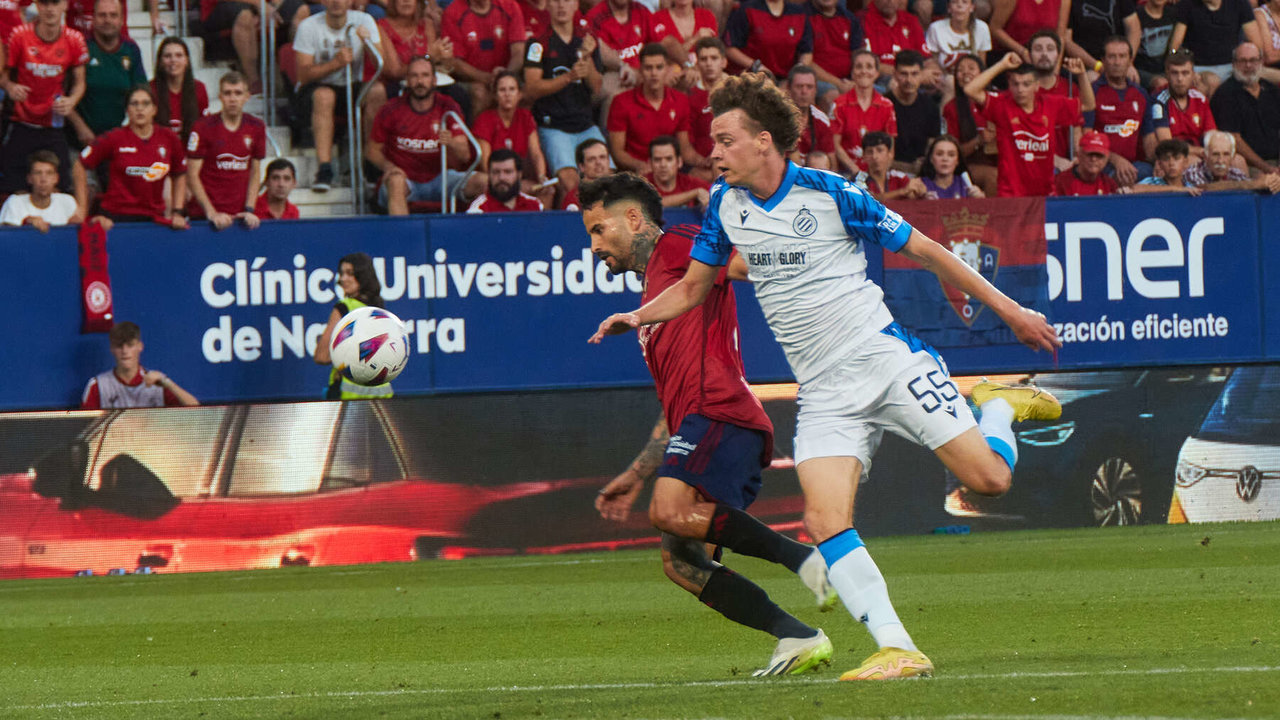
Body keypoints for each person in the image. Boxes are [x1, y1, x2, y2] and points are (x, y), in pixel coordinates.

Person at [589, 72, 1063, 682]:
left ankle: (997, 406)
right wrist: (636, 313)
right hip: (823, 393)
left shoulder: (830, 192)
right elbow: (691, 287)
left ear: (764, 141)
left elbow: (929, 251)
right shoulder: (726, 208)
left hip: (885, 361)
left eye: (725, 140)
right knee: (824, 522)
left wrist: (1013, 311)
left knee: (989, 480)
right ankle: (897, 646)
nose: (713, 153)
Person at [582, 172, 837, 678]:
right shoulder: (654, 296)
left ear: (633, 218)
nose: (594, 246)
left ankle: (803, 558)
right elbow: (670, 412)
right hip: (700, 423)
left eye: (597, 229)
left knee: (669, 511)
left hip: (722, 411)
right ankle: (798, 635)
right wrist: (635, 475)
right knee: (682, 562)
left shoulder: (677, 245)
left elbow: (743, 264)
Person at [965, 52, 1094, 196]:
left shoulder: (1051, 104)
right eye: (1015, 84)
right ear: (1009, 85)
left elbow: (1089, 104)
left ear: (1037, 86)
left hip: (1044, 193)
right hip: (1011, 194)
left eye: (1026, 84)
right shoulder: (1002, 106)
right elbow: (970, 90)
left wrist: (1082, 75)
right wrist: (1001, 65)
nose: (1020, 90)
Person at [368, 56, 481, 215]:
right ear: (407, 80)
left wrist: (452, 143)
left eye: (425, 75)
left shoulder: (448, 106)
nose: (420, 81)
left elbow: (465, 156)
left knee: (484, 182)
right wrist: (390, 168)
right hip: (404, 179)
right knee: (395, 181)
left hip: (440, 177)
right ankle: (404, 237)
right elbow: (372, 151)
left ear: (434, 80)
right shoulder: (391, 109)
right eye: (414, 76)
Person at [293, 0, 385, 192]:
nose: (336, 2)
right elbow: (303, 74)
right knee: (325, 96)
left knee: (377, 91)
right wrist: (335, 63)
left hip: (351, 86)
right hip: (314, 88)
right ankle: (325, 168)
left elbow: (380, 64)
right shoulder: (308, 26)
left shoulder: (364, 20)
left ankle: (371, 163)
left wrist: (367, 44)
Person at [0, 0, 87, 195]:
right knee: (13, 190)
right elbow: (3, 74)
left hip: (53, 126)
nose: (50, 9)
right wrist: (10, 86)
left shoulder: (74, 39)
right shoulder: (20, 35)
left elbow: (80, 82)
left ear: (64, 5)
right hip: (21, 122)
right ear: (37, 6)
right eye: (44, 3)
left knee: (61, 189)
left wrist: (72, 100)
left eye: (55, 3)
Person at [523, 0, 604, 195]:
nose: (561, 6)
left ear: (576, 5)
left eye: (566, 1)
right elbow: (532, 88)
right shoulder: (537, 43)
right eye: (555, 1)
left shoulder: (588, 41)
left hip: (585, 124)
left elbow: (597, 87)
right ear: (547, 5)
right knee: (570, 183)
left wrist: (588, 61)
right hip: (554, 126)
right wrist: (569, 77)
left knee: (607, 179)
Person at [79, 85, 187, 229]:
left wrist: (177, 211)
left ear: (154, 109)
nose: (139, 109)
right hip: (116, 218)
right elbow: (80, 164)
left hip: (153, 218)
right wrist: (81, 209)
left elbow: (180, 173)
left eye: (145, 104)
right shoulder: (114, 137)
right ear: (127, 110)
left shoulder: (169, 138)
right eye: (134, 104)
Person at [186, 72, 267, 230]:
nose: (233, 99)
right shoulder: (202, 127)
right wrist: (211, 212)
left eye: (238, 93)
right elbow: (191, 174)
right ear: (220, 96)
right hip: (204, 217)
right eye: (227, 93)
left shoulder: (256, 127)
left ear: (247, 96)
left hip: (239, 217)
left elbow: (255, 171)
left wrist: (249, 209)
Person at [65, 0, 145, 146]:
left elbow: (141, 93)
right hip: (78, 140)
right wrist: (81, 128)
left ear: (121, 20)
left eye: (113, 15)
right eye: (102, 15)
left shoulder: (131, 49)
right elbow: (62, 94)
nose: (107, 20)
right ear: (93, 19)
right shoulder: (80, 47)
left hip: (114, 141)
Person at [314, 253, 394, 399]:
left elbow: (322, 356)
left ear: (363, 276)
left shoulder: (345, 308)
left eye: (350, 274)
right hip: (383, 399)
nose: (343, 279)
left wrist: (339, 347)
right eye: (342, 273)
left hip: (348, 401)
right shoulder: (380, 311)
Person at [606, 43, 695, 174]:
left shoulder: (680, 100)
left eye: (659, 67)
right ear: (640, 70)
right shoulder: (621, 102)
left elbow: (685, 149)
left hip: (671, 170)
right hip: (637, 172)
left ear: (667, 69)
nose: (654, 73)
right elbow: (617, 152)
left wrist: (705, 161)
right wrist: (641, 165)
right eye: (648, 68)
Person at [472, 70, 553, 207]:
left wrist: (541, 176)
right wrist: (510, 182)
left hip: (517, 178)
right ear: (495, 96)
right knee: (486, 182)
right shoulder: (485, 119)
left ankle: (540, 228)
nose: (507, 95)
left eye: (512, 89)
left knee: (547, 190)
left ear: (519, 94)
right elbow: (486, 164)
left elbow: (536, 152)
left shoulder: (526, 117)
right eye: (502, 90)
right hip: (495, 177)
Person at [1091, 36, 1162, 185]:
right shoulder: (1093, 91)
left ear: (1130, 61)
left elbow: (1148, 138)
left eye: (1122, 57)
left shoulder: (1141, 94)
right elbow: (1084, 137)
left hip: (1134, 165)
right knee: (1119, 176)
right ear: (1103, 60)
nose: (1117, 62)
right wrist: (1116, 160)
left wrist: (1160, 161)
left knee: (1155, 173)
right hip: (1100, 164)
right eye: (1112, 57)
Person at [81, 322, 199, 409]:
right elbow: (84, 427)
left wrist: (167, 382)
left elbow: (195, 408)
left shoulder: (158, 382)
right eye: (119, 346)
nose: (125, 351)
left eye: (130, 345)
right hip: (114, 442)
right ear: (112, 349)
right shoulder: (98, 385)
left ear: (140, 346)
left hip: (152, 441)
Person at [440, 0, 526, 113]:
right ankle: (476, 130)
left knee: (526, 90)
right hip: (470, 80)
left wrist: (505, 77)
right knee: (480, 92)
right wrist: (487, 78)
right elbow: (455, 62)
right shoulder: (453, 12)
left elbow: (519, 52)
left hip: (506, 73)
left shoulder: (510, 6)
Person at [1209, 43, 1280, 174]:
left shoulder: (1272, 90)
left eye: (1253, 60)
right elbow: (1235, 139)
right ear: (1234, 63)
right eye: (1243, 61)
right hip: (1251, 166)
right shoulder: (1225, 95)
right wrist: (1267, 168)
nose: (1248, 66)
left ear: (1261, 62)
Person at [1169, 0, 1263, 94]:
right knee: (1212, 81)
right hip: (1200, 67)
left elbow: (1256, 43)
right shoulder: (1186, 5)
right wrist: (1189, 71)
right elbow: (1175, 47)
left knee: (1274, 76)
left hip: (1234, 65)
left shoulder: (1239, 3)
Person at [832, 50, 897, 176]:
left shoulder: (887, 106)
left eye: (869, 67)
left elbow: (890, 149)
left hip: (876, 173)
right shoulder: (839, 104)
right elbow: (835, 145)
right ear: (852, 73)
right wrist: (856, 171)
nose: (864, 71)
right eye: (859, 67)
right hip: (847, 173)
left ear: (877, 73)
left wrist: (878, 174)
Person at [940, 54, 997, 196]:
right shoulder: (951, 108)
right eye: (960, 70)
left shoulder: (997, 100)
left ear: (983, 74)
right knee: (993, 175)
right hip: (967, 165)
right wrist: (979, 141)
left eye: (971, 68)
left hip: (1001, 160)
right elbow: (952, 152)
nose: (966, 73)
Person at [723, 0, 814, 78]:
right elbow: (729, 48)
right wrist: (756, 66)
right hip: (752, 76)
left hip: (786, 79)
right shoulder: (746, 9)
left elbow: (806, 51)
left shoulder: (799, 12)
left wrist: (798, 73)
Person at [1154, 48, 1216, 162]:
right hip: (1173, 157)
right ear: (1167, 74)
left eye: (1185, 73)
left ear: (1193, 75)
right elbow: (1166, 143)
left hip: (1200, 153)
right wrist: (1200, 152)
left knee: (1237, 160)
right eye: (1175, 73)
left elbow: (1211, 136)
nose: (1180, 79)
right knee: (1194, 161)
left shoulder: (1200, 99)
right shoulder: (1159, 101)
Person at [0, 150, 82, 229]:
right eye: (38, 173)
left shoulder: (67, 202)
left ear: (56, 178)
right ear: (29, 178)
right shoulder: (15, 203)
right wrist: (26, 223)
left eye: (49, 173)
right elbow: (7, 237)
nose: (43, 179)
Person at [887, 50, 940, 170]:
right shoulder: (883, 104)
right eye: (903, 74)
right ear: (895, 74)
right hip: (891, 171)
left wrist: (926, 163)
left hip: (922, 171)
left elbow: (933, 144)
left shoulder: (930, 106)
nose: (909, 80)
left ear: (922, 74)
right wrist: (909, 167)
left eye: (914, 74)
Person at [151, 37, 209, 145]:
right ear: (160, 62)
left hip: (191, 155)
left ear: (186, 60)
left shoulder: (199, 89)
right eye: (168, 56)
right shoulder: (150, 90)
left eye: (179, 55)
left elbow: (204, 130)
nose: (173, 60)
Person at [804, 0, 863, 105]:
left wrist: (856, 81)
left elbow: (859, 57)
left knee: (880, 92)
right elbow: (806, 62)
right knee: (832, 96)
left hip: (848, 80)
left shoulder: (850, 18)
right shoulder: (803, 17)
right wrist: (839, 83)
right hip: (816, 79)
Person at [684, 37, 728, 181]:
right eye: (704, 59)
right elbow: (685, 141)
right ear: (697, 63)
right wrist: (700, 161)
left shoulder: (737, 92)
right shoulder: (689, 96)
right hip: (700, 164)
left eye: (714, 58)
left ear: (724, 62)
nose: (709, 63)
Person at [1184, 129, 1280, 192]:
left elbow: (1251, 186)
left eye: (1226, 154)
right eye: (1215, 154)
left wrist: (1272, 183)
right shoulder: (1193, 172)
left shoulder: (1235, 173)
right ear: (1205, 156)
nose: (1220, 160)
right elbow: (1203, 189)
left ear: (1232, 157)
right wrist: (1254, 184)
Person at [1066, 0, 1140, 79]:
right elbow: (1067, 41)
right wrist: (1098, 66)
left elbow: (1134, 29)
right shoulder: (1071, 2)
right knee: (1093, 78)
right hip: (1086, 64)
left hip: (1118, 58)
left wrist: (1128, 62)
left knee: (1132, 76)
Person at [785, 65, 836, 167]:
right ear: (788, 89)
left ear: (815, 90)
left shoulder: (822, 120)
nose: (804, 92)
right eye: (799, 86)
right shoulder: (776, 119)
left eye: (809, 87)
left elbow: (832, 165)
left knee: (820, 160)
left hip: (813, 179)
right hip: (782, 177)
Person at [988, 0, 1068, 64]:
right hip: (1011, 55)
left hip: (1045, 56)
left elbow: (1060, 36)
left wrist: (1055, 70)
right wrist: (1022, 52)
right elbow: (995, 28)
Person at [466, 148, 544, 212]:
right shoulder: (478, 210)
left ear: (519, 175)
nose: (501, 177)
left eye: (508, 172)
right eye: (496, 172)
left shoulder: (535, 206)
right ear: (489, 175)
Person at [861, 0, 927, 75]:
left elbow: (927, 59)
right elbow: (864, 63)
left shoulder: (911, 20)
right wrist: (902, 73)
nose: (890, 1)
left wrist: (931, 71)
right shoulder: (862, 20)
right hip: (880, 78)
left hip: (912, 76)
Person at [854, 131, 926, 199]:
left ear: (890, 154)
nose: (874, 156)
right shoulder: (858, 178)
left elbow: (911, 194)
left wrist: (919, 191)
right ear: (863, 155)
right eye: (869, 152)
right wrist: (902, 192)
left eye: (880, 150)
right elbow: (869, 200)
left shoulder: (899, 177)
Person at [645, 135, 710, 208]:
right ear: (650, 163)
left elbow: (720, 194)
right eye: (657, 160)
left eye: (669, 159)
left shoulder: (690, 183)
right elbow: (655, 204)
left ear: (679, 162)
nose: (663, 165)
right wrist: (695, 193)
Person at [926, 0, 991, 70]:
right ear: (949, 8)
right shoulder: (935, 28)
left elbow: (982, 64)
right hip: (945, 76)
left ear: (972, 7)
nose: (959, 6)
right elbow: (933, 63)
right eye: (954, 2)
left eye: (964, 2)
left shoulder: (982, 28)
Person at [651, 0, 717, 68]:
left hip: (702, 70)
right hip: (672, 72)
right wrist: (694, 39)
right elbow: (663, 56)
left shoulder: (707, 16)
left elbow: (714, 53)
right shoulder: (658, 18)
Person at [1054, 130, 1121, 195]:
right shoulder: (1060, 182)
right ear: (1079, 154)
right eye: (1089, 154)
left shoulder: (1109, 185)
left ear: (1106, 158)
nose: (1094, 159)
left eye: (1099, 155)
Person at [918, 134, 984, 198]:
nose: (945, 159)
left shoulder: (965, 186)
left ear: (957, 161)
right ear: (931, 159)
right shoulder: (920, 185)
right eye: (939, 154)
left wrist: (980, 200)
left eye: (951, 155)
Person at [1130, 138, 1203, 194]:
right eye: (1166, 159)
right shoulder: (1152, 182)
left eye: (1176, 158)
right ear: (1160, 164)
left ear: (1185, 162)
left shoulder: (1190, 188)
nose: (1171, 163)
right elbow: (1134, 189)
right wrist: (1175, 189)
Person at [1135, 0, 1178, 89]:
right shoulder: (1136, 14)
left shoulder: (1172, 13)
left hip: (1165, 69)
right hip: (1141, 70)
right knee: (1161, 83)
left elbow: (1175, 47)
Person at [560, 137, 612, 210]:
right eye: (591, 159)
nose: (598, 162)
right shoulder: (574, 199)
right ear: (581, 167)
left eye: (602, 157)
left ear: (609, 161)